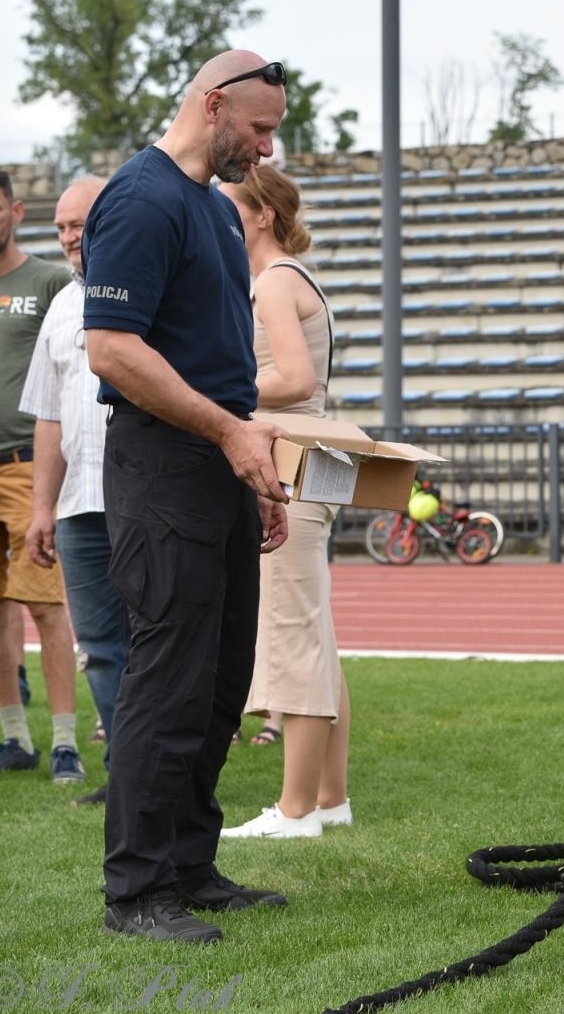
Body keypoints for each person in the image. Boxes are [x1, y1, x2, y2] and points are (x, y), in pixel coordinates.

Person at [83, 50, 293, 944]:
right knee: (166, 683)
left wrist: (253, 463)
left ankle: (191, 868)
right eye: (259, 127)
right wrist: (228, 433)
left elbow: (219, 358)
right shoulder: (140, 197)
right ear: (213, 106)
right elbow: (114, 350)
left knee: (218, 683)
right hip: (163, 462)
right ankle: (136, 892)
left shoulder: (214, 208)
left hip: (219, 466)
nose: (268, 146)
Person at [216, 164, 347, 839]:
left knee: (295, 629)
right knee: (315, 630)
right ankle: (329, 798)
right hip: (312, 460)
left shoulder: (273, 281)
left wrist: (217, 384)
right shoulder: (296, 277)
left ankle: (297, 812)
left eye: (229, 207)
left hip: (292, 463)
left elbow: (293, 379)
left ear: (262, 214)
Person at [0, 164, 80, 782]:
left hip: (25, 467)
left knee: (44, 608)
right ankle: (16, 739)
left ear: (16, 213)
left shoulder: (50, 281)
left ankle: (64, 741)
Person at [18, 174, 121, 805]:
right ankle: (128, 773)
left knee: (152, 640)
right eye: (59, 227)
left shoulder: (153, 288)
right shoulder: (60, 305)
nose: (68, 237)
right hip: (79, 505)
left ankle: (163, 774)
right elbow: (49, 416)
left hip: (143, 497)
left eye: (79, 223)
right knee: (102, 647)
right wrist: (40, 508)